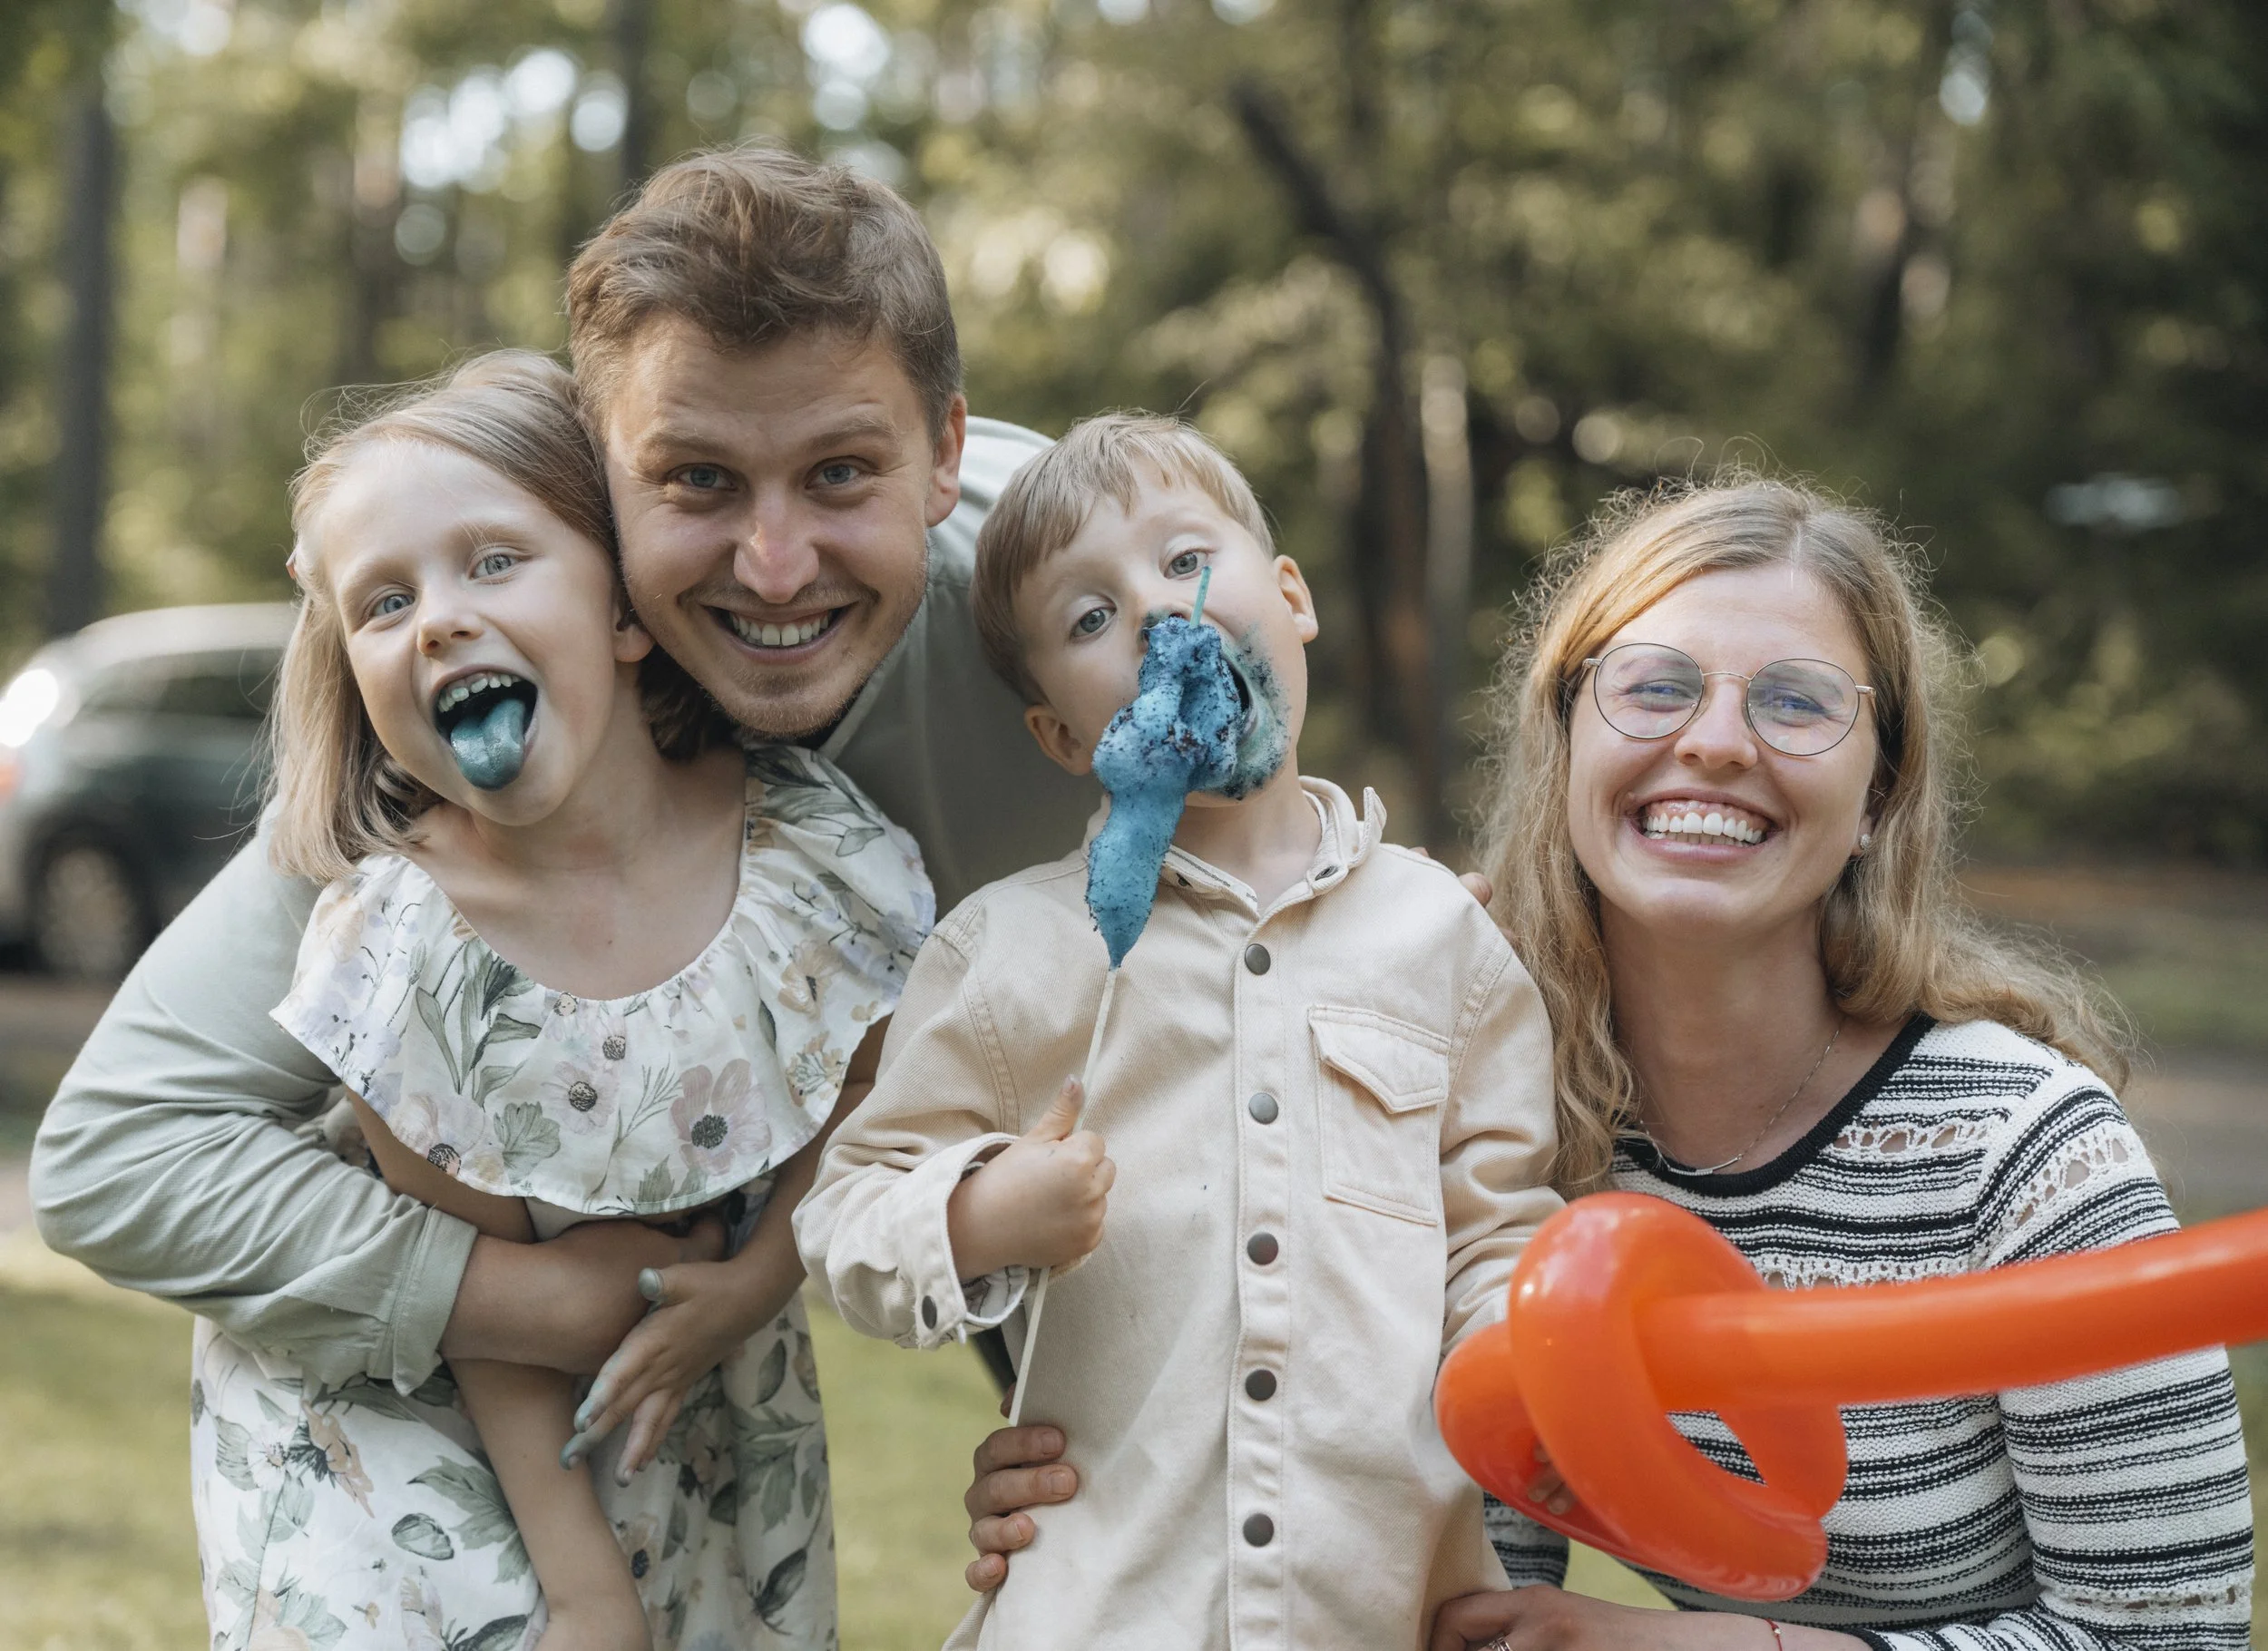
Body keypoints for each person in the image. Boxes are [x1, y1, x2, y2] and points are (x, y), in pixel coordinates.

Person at [30, 145, 1090, 1644]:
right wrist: (532, 1305)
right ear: (604, 486)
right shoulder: (441, 832)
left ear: (943, 452)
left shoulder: (1089, 590)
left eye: (842, 475)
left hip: (935, 1295)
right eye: (699, 482)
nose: (775, 566)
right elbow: (116, 1155)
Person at [961, 477, 2257, 1650]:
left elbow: (2177, 1641)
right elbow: (1457, 1563)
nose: (1716, 742)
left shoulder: (2027, 1155)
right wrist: (1116, 1481)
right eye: (1654, 685)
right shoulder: (1486, 1109)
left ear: (1878, 797)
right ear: (1568, 737)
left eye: (1798, 702)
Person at [191, 350, 931, 1646]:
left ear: (627, 610)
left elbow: (866, 1100)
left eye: (493, 562)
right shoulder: (407, 949)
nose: (437, 620)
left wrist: (758, 1282)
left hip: (691, 1407)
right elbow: (476, 1307)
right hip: (419, 1428)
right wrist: (587, 1594)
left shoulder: (813, 863)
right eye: (382, 603)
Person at [794, 414, 1563, 1650]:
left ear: (1295, 598)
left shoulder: (1448, 944)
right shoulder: (1004, 957)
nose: (1156, 614)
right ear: (1060, 735)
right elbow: (846, 1222)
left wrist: (1530, 1376)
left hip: (1380, 1611)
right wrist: (978, 1213)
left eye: (1186, 560)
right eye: (1090, 617)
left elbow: (1498, 1231)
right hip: (1103, 1608)